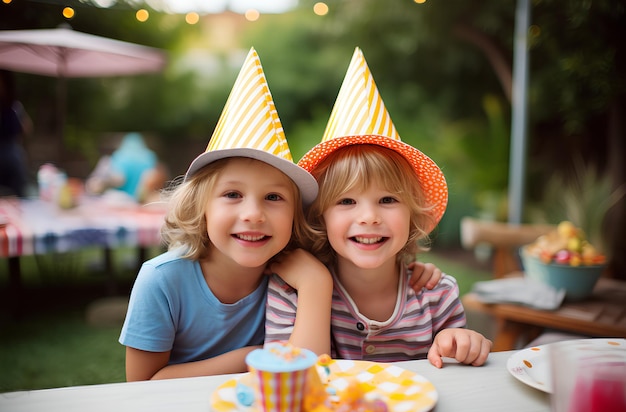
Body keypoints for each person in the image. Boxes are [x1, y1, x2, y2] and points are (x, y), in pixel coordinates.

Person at [265, 47, 492, 368]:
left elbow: (457, 365)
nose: (369, 217)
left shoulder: (436, 295)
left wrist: (460, 342)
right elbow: (289, 378)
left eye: (388, 200)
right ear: (320, 215)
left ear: (412, 213)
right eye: (346, 201)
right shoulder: (292, 290)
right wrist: (316, 283)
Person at [119, 48, 332, 381]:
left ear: (295, 216)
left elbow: (311, 375)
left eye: (273, 197)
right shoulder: (161, 280)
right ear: (200, 206)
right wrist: (250, 358)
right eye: (232, 194)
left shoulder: (296, 273)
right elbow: (143, 384)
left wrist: (316, 282)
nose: (253, 214)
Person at [0, 69, 32, 197]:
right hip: (10, 154)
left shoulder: (14, 106)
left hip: (12, 154)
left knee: (19, 192)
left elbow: (27, 127)